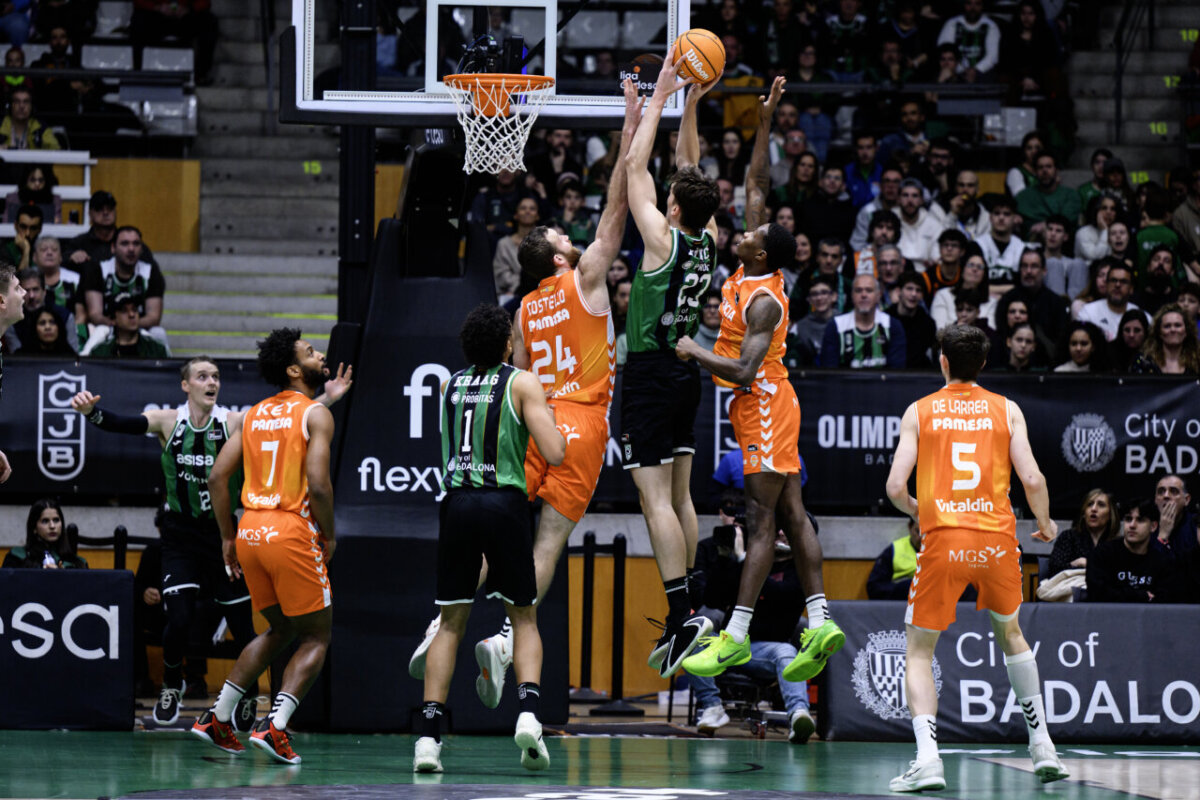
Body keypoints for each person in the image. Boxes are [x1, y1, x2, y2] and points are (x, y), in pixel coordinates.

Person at [409, 78, 642, 708]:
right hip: (581, 425)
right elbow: (618, 207)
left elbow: (521, 369)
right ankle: (509, 641)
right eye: (566, 237)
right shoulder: (588, 279)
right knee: (544, 544)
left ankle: (440, 625)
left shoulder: (523, 312)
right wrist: (631, 128)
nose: (573, 236)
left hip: (532, 413)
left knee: (496, 540)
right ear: (561, 257)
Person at [73, 352, 351, 728]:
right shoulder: (166, 421)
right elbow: (123, 423)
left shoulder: (234, 421)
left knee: (242, 621)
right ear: (185, 384)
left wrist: (328, 399)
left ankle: (246, 697)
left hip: (224, 532)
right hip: (181, 535)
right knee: (181, 616)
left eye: (216, 376)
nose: (212, 382)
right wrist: (92, 413)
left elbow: (286, 423)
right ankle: (173, 683)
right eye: (202, 376)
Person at [675, 75, 843, 690]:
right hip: (766, 402)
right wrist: (765, 121)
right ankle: (820, 619)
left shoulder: (765, 302)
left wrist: (694, 349)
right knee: (793, 510)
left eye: (747, 234)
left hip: (764, 400)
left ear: (761, 255)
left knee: (761, 520)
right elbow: (757, 183)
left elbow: (744, 369)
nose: (740, 229)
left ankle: (736, 634)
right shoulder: (752, 264)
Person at [884, 324, 1068, 792]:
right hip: (996, 541)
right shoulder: (1007, 409)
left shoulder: (919, 411)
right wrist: (1046, 524)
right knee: (1012, 636)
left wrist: (920, 510)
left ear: (942, 359)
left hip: (944, 539)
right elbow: (1032, 477)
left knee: (919, 652)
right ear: (983, 364)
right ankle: (1043, 746)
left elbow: (894, 487)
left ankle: (928, 759)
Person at [412, 304, 566, 774]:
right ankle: (528, 716)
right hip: (504, 504)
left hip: (457, 505)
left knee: (450, 623)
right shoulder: (521, 382)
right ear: (506, 344)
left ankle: (427, 739)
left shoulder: (450, 385)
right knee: (524, 619)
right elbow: (556, 452)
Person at [189, 329, 339, 763]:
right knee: (316, 634)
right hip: (290, 529)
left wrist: (227, 536)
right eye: (311, 352)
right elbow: (319, 485)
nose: (320, 354)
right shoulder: (315, 414)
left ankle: (216, 716)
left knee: (280, 629)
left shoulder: (251, 415)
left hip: (251, 530)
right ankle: (275, 727)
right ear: (294, 369)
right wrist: (329, 533)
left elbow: (217, 477)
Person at [621, 53, 723, 678]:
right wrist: (697, 102)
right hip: (687, 374)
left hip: (653, 373)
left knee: (652, 497)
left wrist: (659, 96)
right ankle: (695, 607)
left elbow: (638, 166)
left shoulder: (662, 238)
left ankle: (683, 612)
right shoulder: (708, 238)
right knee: (682, 496)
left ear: (675, 208)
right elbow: (689, 167)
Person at [690, 529, 817, 743]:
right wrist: (724, 558)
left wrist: (745, 562)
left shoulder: (803, 572)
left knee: (787, 652)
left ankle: (798, 714)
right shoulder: (752, 562)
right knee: (692, 637)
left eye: (788, 528)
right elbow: (713, 600)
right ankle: (712, 707)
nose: (780, 532)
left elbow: (781, 594)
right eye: (778, 527)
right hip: (727, 645)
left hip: (762, 650)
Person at [79, 225, 168, 354]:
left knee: (159, 333)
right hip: (107, 326)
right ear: (113, 248)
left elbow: (154, 317)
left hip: (139, 327)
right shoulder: (98, 269)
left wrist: (129, 324)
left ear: (141, 249)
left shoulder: (150, 272)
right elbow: (95, 314)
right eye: (125, 244)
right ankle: (85, 367)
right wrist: (119, 324)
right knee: (99, 331)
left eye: (136, 244)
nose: (131, 249)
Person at [1086, 500, 1176, 603]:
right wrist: (1141, 596)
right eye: (1128, 519)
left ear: (1153, 526)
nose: (1132, 525)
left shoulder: (1162, 560)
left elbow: (1166, 600)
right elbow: (1097, 594)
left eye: (1140, 520)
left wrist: (1120, 594)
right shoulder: (1102, 554)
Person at [819, 274, 907, 368]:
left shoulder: (892, 326)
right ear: (852, 295)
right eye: (858, 290)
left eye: (869, 290)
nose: (864, 295)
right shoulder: (836, 327)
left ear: (878, 296)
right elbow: (829, 372)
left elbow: (897, 372)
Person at [1046, 489, 1119, 579]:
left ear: (1110, 514)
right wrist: (1077, 563)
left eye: (1101, 505)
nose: (1094, 509)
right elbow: (1053, 571)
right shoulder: (1069, 537)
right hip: (1071, 590)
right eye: (1089, 504)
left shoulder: (1117, 544)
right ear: (1084, 513)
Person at [2, 498, 87, 569]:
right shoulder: (17, 557)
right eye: (45, 521)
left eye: (56, 520)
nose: (52, 526)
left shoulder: (78, 563)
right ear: (34, 527)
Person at [1075, 261, 1145, 341]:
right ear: (1107, 285)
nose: (1117, 285)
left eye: (1123, 281)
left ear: (1131, 288)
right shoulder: (1088, 312)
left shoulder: (1140, 316)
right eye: (1113, 280)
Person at [87, 292, 170, 358]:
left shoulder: (156, 350)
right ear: (113, 319)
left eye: (134, 309)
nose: (131, 314)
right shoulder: (100, 353)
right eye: (124, 311)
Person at [1130, 304, 1200, 375]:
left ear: (1186, 331)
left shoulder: (1197, 360)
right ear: (1159, 332)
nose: (1173, 330)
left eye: (1177, 325)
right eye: (1167, 326)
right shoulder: (1144, 362)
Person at [887, 271, 937, 367]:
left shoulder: (928, 323)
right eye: (909, 289)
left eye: (918, 290)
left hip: (917, 375)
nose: (914, 294)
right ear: (898, 291)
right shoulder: (886, 319)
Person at [866, 518, 923, 600]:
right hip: (901, 603)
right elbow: (874, 588)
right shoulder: (895, 550)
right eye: (918, 532)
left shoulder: (942, 551)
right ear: (910, 527)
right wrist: (904, 588)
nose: (921, 538)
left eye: (926, 533)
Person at [1153, 474, 1197, 557]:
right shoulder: (1147, 525)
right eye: (1161, 492)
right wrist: (1163, 534)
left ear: (1186, 500)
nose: (1166, 496)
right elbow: (1150, 566)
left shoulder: (1196, 525)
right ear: (1155, 499)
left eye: (1173, 491)